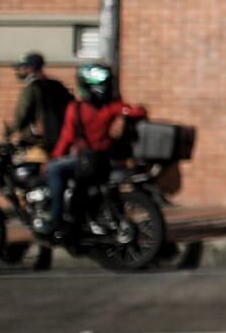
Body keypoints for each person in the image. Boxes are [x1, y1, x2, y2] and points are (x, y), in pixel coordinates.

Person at [35, 62, 146, 240]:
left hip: (84, 161)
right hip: (104, 160)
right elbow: (136, 111)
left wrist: (52, 159)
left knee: (55, 170)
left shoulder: (76, 109)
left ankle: (55, 218)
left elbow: (66, 138)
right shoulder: (110, 108)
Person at [9, 52, 72, 154]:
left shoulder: (32, 88)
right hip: (60, 142)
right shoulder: (57, 85)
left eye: (22, 67)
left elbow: (21, 116)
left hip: (38, 142)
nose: (20, 71)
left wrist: (10, 131)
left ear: (30, 68)